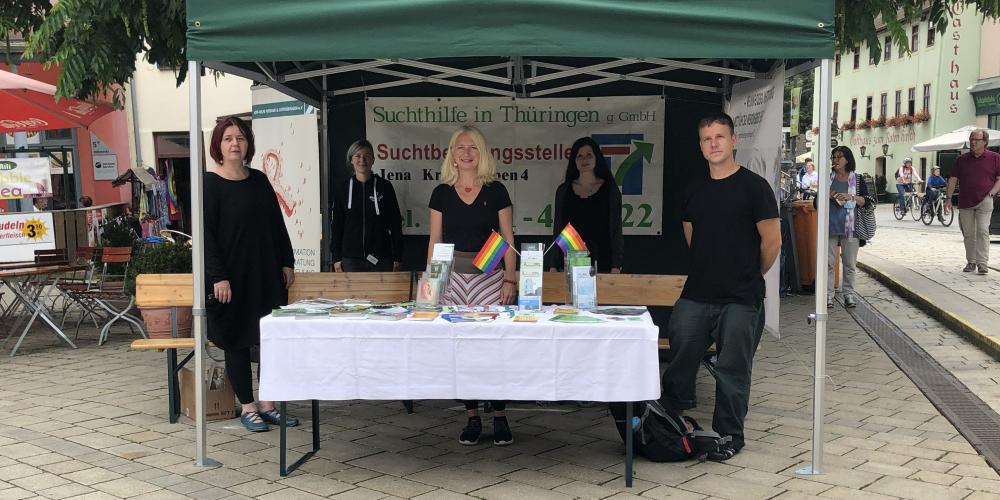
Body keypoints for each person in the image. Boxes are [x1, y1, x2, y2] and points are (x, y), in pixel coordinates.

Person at [660, 112, 781, 461]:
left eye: (719, 137)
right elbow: (691, 237)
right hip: (697, 294)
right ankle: (673, 422)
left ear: (733, 141)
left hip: (742, 298)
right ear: (701, 145)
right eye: (707, 139)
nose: (713, 144)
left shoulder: (755, 187)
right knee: (679, 356)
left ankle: (730, 435)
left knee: (732, 369)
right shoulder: (694, 189)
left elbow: (772, 242)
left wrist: (747, 272)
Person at [203, 116, 298, 433]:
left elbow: (276, 225)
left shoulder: (259, 180)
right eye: (228, 138)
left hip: (264, 274)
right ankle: (248, 406)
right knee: (236, 342)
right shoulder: (209, 184)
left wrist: (287, 261)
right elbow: (206, 236)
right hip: (229, 280)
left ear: (248, 144)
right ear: (218, 144)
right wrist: (218, 276)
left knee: (269, 340)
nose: (234, 143)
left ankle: (268, 404)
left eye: (240, 138)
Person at [427, 125, 517, 447]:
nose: (466, 153)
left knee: (494, 350)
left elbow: (508, 240)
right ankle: (472, 416)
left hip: (491, 281)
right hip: (453, 282)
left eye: (473, 148)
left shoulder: (497, 191)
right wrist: (432, 284)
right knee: (463, 351)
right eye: (460, 147)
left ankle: (500, 416)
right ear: (451, 154)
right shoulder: (440, 193)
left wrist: (510, 277)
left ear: (482, 154)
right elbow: (435, 241)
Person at [547, 136, 624, 273]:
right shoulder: (564, 190)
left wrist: (616, 265)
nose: (585, 159)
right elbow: (558, 229)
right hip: (570, 262)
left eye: (589, 155)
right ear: (574, 161)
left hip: (602, 263)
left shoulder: (610, 190)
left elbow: (616, 230)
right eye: (579, 156)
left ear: (597, 158)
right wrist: (553, 265)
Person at [330, 139, 404, 272]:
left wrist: (397, 256)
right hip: (351, 260)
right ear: (351, 160)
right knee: (353, 294)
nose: (362, 160)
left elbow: (395, 223)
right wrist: (336, 257)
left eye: (367, 156)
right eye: (357, 156)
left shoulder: (385, 187)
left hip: (381, 259)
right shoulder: (343, 189)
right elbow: (337, 225)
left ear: (373, 160)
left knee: (382, 294)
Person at [945, 129, 1000, 275]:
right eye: (971, 139)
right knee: (968, 233)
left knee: (982, 230)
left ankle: (982, 263)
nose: (973, 142)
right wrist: (948, 199)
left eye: (976, 139)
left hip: (985, 200)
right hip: (965, 201)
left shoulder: (995, 158)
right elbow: (953, 179)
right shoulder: (961, 159)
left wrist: (992, 193)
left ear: (985, 142)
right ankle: (971, 262)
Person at [822, 146, 871, 309]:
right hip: (830, 225)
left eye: (839, 157)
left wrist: (851, 197)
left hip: (851, 227)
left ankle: (848, 294)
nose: (835, 160)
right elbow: (816, 203)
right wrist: (825, 195)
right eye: (833, 157)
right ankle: (828, 295)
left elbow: (867, 201)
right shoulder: (827, 178)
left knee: (849, 263)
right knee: (828, 263)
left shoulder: (857, 179)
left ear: (847, 160)